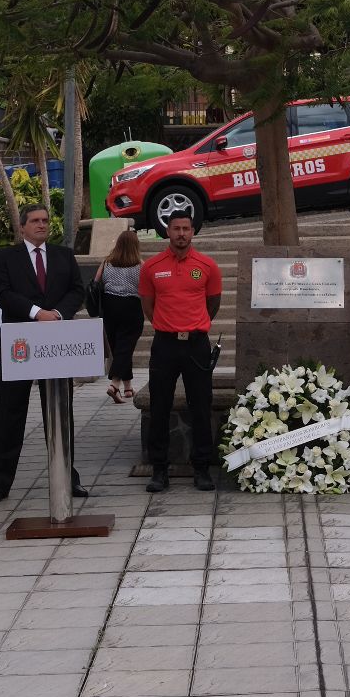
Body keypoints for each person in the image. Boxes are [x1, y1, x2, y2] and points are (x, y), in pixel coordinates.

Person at [0, 203, 88, 505]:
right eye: (35, 221)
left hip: (56, 345)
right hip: (20, 343)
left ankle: (68, 477)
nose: (42, 225)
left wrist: (56, 312)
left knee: (59, 411)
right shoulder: (5, 257)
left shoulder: (63, 255)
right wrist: (35, 313)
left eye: (45, 220)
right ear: (22, 227)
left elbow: (77, 291)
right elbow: (2, 293)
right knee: (8, 414)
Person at [139, 210, 222, 493]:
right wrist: (167, 326)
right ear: (167, 231)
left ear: (193, 231)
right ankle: (159, 470)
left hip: (197, 344)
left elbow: (213, 302)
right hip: (165, 344)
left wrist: (195, 326)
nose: (181, 234)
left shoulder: (207, 265)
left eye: (186, 228)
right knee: (159, 407)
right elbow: (148, 305)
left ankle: (201, 468)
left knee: (200, 405)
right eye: (176, 228)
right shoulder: (152, 267)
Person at [98, 228, 144, 403]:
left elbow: (96, 282)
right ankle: (114, 384)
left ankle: (128, 387)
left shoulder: (107, 262)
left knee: (120, 347)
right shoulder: (140, 265)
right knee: (126, 346)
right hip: (131, 307)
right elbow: (146, 288)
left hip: (110, 307)